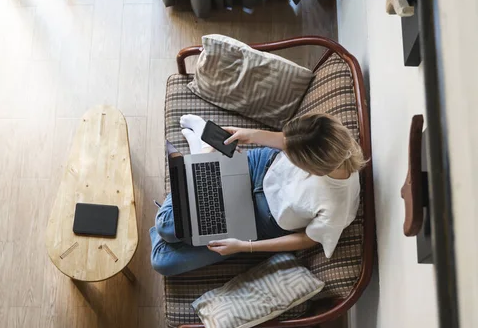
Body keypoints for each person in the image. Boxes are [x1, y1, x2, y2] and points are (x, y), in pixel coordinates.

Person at [150, 113, 366, 276]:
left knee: (163, 258)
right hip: (260, 167)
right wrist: (251, 136)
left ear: (313, 170)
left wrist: (245, 246)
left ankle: (202, 154)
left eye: (291, 157)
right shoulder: (328, 136)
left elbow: (308, 239)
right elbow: (289, 140)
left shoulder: (338, 206)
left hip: (262, 219)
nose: (286, 153)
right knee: (167, 225)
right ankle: (203, 156)